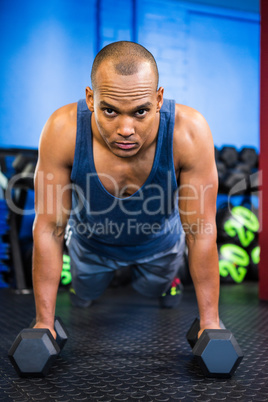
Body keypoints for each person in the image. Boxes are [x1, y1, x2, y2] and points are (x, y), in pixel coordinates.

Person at [32, 41, 221, 340]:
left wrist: (211, 323)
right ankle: (84, 283)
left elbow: (201, 230)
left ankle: (169, 280)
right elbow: (49, 227)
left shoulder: (189, 132)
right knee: (84, 292)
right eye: (110, 110)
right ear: (90, 98)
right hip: (91, 244)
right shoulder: (62, 129)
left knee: (152, 287)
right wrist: (44, 323)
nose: (125, 129)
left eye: (140, 112)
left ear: (159, 99)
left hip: (158, 244)